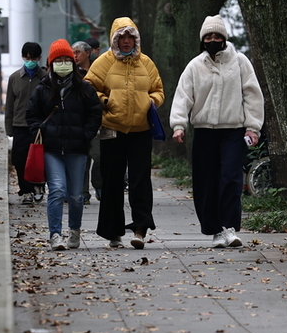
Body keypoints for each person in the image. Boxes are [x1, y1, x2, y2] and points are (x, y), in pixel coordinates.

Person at [170, 14, 264, 248]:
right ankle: (214, 230)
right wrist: (178, 125)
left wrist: (253, 127)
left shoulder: (240, 62)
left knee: (230, 178)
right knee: (207, 182)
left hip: (233, 131)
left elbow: (252, 95)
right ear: (203, 40)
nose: (213, 40)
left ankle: (230, 227)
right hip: (204, 132)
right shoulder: (195, 66)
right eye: (208, 36)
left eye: (217, 36)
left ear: (224, 38)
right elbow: (183, 96)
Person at [84, 17, 164, 249]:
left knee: (140, 180)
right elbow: (89, 86)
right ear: (114, 39)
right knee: (112, 181)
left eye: (130, 37)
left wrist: (151, 101)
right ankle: (113, 232)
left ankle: (140, 229)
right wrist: (105, 100)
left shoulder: (146, 63)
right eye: (121, 37)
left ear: (136, 39)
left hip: (141, 130)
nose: (126, 41)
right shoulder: (103, 62)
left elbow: (158, 89)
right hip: (112, 129)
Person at [27, 39, 102, 250]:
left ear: (72, 62)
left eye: (65, 60)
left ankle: (74, 231)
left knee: (76, 196)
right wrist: (40, 131)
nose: (62, 64)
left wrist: (86, 134)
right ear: (51, 64)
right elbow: (31, 115)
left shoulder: (84, 88)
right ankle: (55, 234)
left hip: (77, 149)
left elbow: (95, 113)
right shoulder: (42, 89)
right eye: (57, 60)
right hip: (51, 149)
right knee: (57, 190)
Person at [5, 42, 47, 205]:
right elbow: (9, 104)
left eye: (33, 57)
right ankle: (26, 190)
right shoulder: (15, 78)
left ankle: (38, 186)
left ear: (39, 58)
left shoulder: (44, 78)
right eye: (27, 57)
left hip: (39, 126)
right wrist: (9, 127)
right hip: (20, 124)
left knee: (39, 160)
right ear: (23, 57)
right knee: (20, 159)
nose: (30, 60)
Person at [72, 40, 101, 205]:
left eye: (78, 52)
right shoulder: (72, 74)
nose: (75, 56)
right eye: (73, 53)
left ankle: (99, 185)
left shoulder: (99, 70)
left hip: (97, 121)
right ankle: (83, 192)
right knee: (82, 159)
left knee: (98, 156)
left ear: (88, 53)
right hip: (78, 122)